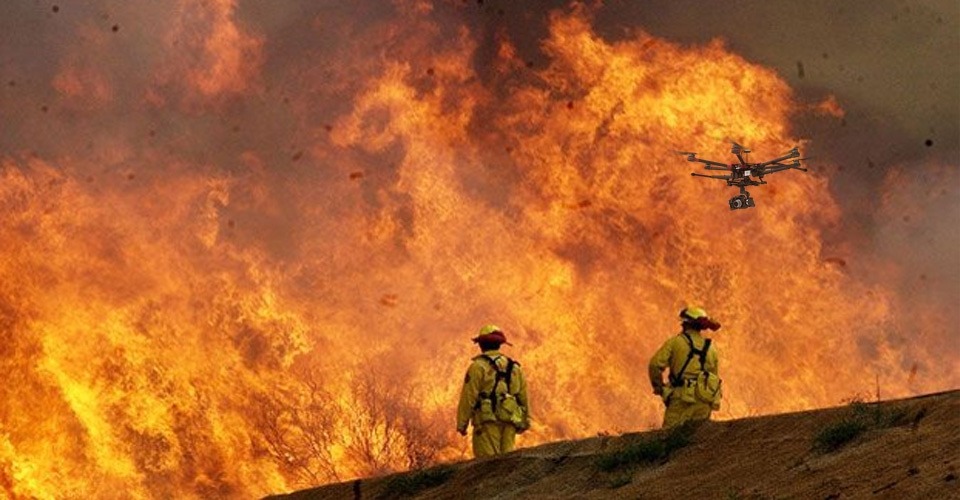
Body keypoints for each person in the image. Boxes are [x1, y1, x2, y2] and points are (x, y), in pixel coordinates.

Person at [456, 324, 530, 458]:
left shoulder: (477, 367)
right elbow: (523, 396)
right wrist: (525, 421)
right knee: (507, 463)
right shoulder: (514, 368)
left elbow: (469, 396)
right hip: (509, 420)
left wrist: (462, 423)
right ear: (500, 345)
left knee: (487, 466)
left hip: (487, 422)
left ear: (481, 345)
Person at [648, 306, 723, 428]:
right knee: (699, 441)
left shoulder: (675, 342)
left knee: (670, 438)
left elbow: (655, 365)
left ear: (686, 324)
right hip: (704, 401)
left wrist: (659, 387)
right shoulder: (711, 349)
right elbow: (713, 377)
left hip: (681, 399)